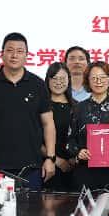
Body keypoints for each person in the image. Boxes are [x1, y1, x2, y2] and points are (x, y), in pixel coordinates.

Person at [0, 32, 57, 188]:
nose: (14, 55)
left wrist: (50, 158)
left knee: (32, 205)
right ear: (2, 54)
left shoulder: (38, 84)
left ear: (26, 55)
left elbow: (48, 124)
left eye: (19, 51)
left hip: (32, 167)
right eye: (10, 50)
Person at [66, 62, 109, 191]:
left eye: (103, 77)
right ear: (87, 81)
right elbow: (70, 140)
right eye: (94, 78)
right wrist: (79, 152)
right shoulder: (78, 108)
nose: (98, 81)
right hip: (85, 172)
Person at [45, 62, 75, 191]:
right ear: (48, 80)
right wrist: (56, 160)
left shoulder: (77, 107)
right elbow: (34, 138)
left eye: (62, 79)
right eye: (54, 78)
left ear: (69, 80)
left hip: (74, 169)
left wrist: (75, 158)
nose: (58, 82)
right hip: (48, 166)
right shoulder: (41, 106)